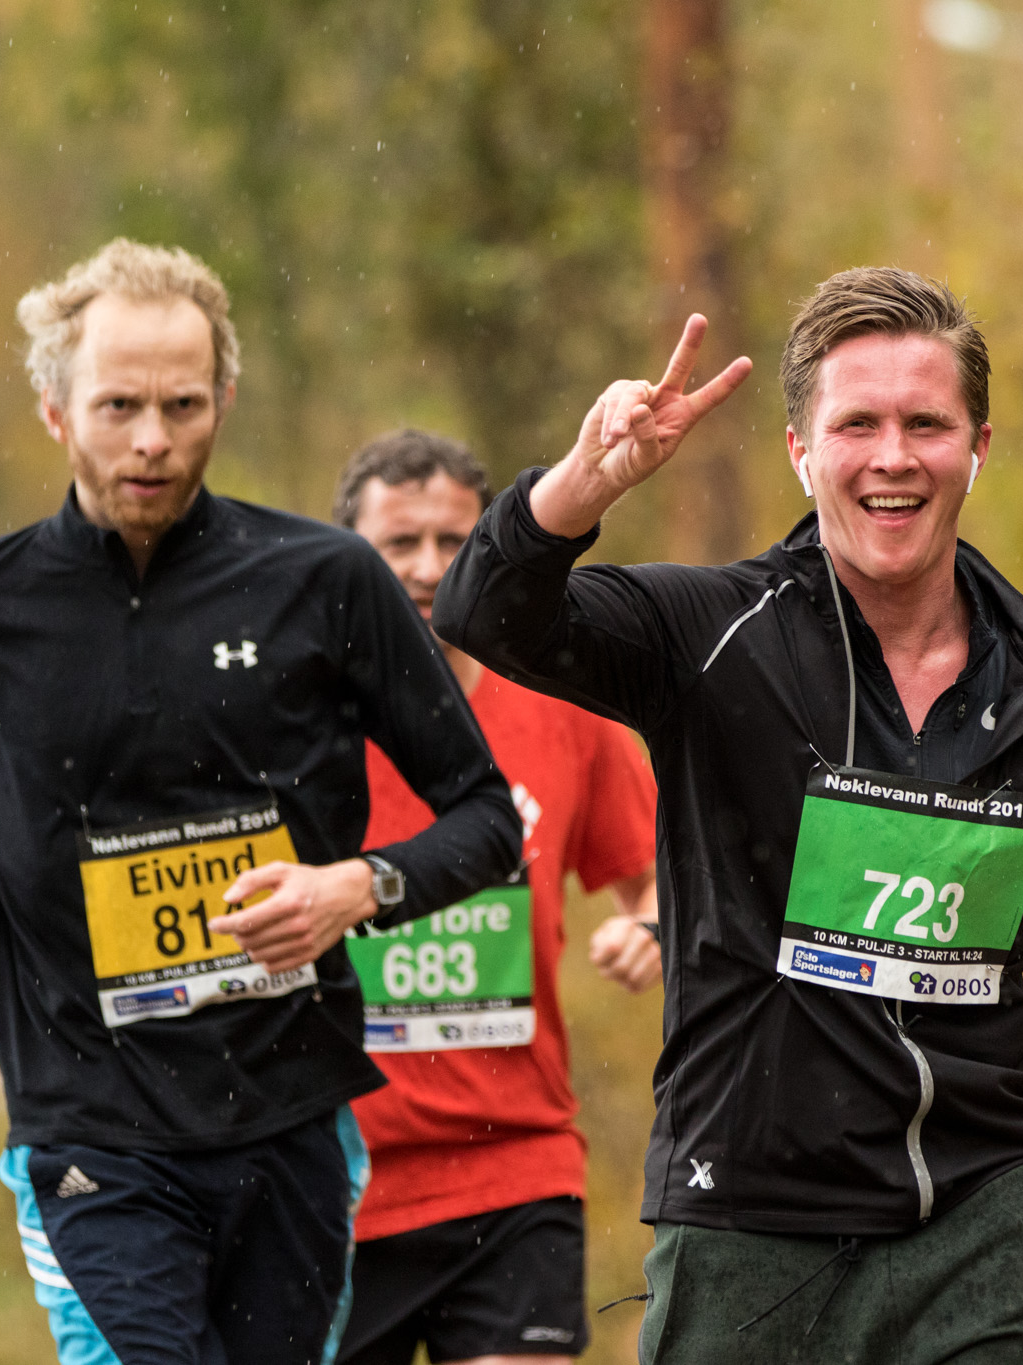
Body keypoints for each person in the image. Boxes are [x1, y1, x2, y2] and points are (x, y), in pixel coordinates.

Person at [435, 269, 1023, 1363]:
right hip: (748, 1227)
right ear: (799, 449)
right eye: (857, 425)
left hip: (986, 1220)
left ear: (977, 446)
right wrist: (581, 487)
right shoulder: (711, 637)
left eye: (927, 424)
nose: (893, 457)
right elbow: (486, 612)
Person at [0, 239, 521, 1365]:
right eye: (118, 405)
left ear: (222, 400)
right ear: (55, 409)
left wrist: (356, 887)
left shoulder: (325, 581)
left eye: (182, 405)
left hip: (287, 1111)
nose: (151, 439)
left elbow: (484, 816)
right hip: (88, 1124)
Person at [330, 431, 662, 1365]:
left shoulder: (561, 709)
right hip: (336, 1179)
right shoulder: (297, 723)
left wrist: (650, 923)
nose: (426, 567)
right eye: (399, 543)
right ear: (346, 558)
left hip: (514, 1167)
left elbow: (659, 874)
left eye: (452, 540)